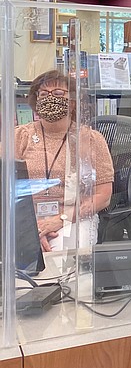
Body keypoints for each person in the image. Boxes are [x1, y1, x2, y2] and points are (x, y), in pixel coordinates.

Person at [15, 70, 114, 252]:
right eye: (43, 94)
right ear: (35, 100)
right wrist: (31, 226)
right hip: (24, 217)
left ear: (73, 102)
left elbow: (103, 196)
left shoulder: (90, 139)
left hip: (74, 216)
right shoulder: (20, 136)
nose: (50, 98)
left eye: (59, 94)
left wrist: (59, 219)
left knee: (66, 255)